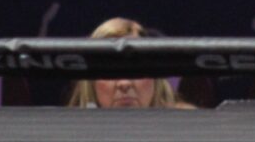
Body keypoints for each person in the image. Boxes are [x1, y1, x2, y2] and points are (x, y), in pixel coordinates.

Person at [66, 18, 195, 109]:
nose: (124, 83)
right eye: (111, 71)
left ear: (155, 77)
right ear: (91, 82)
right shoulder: (66, 134)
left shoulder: (188, 127)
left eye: (135, 70)